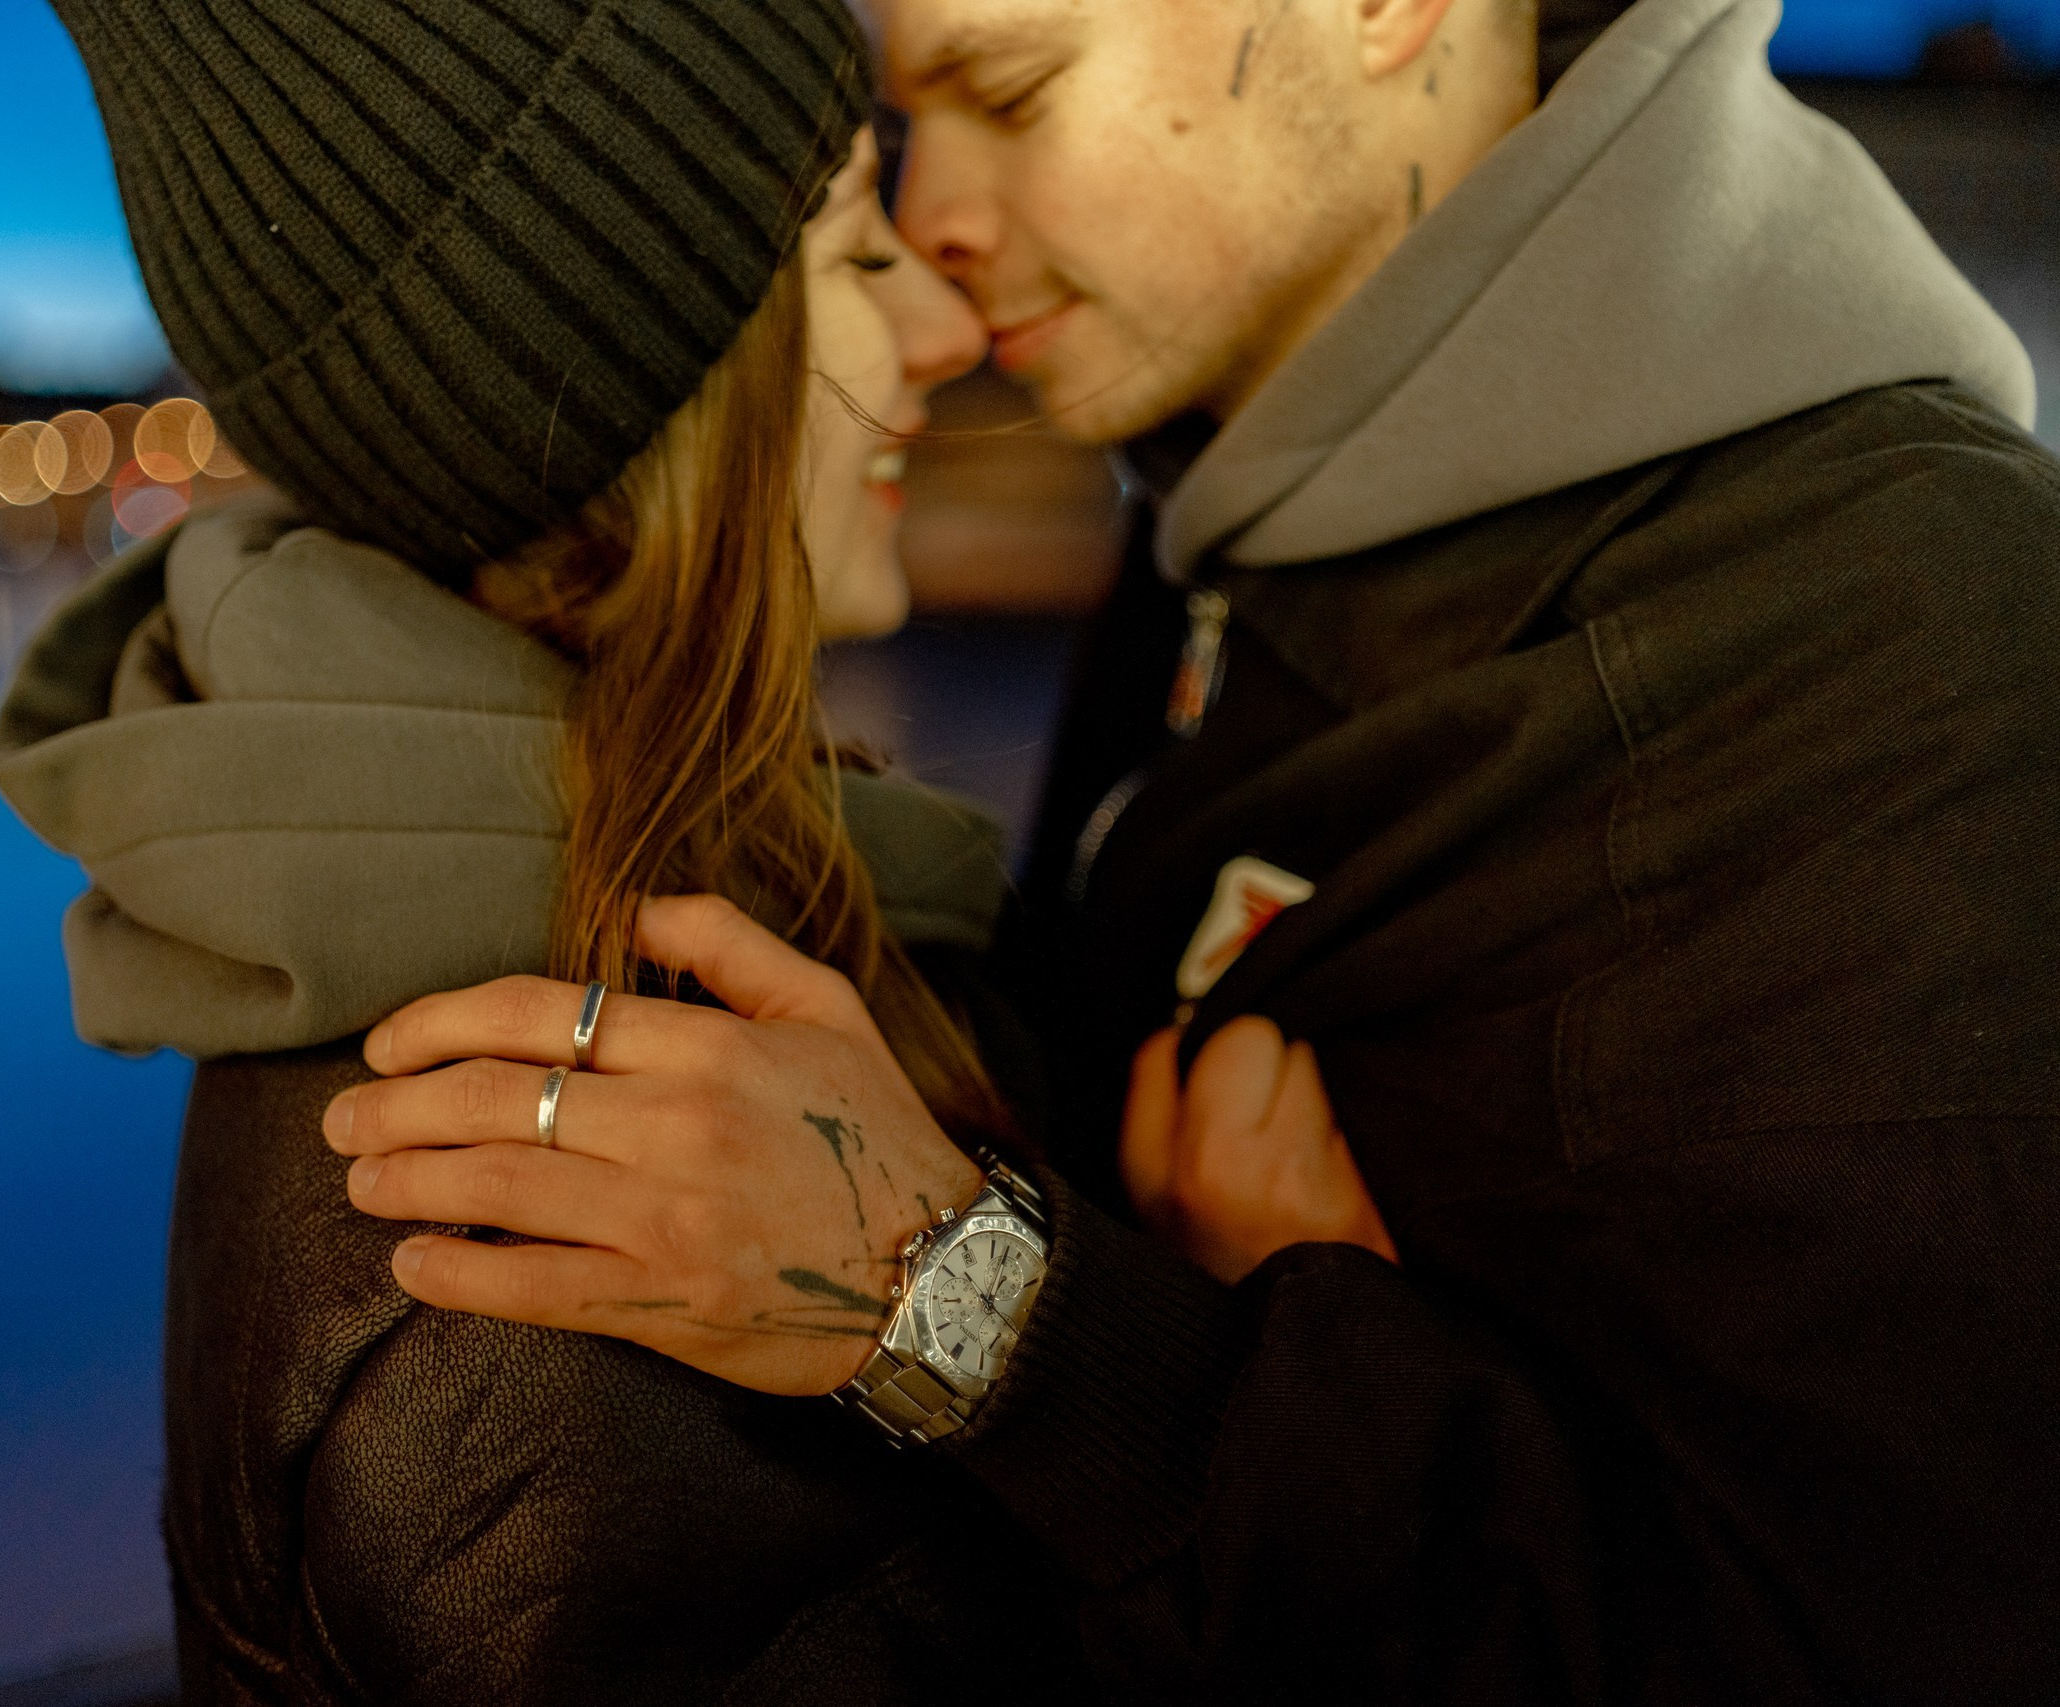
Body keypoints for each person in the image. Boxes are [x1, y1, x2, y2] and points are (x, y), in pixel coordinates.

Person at [332, 0, 2060, 1697]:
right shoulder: (1233, 494)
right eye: (906, 118)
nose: (930, 212)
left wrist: (1021, 1317)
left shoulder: (1915, 645)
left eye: (1008, 86)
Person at [0, 0, 1379, 1697]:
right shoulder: (537, 1311)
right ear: (633, 391)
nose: (952, 322)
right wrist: (1238, 1381)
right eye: (862, 265)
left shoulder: (642, 933)